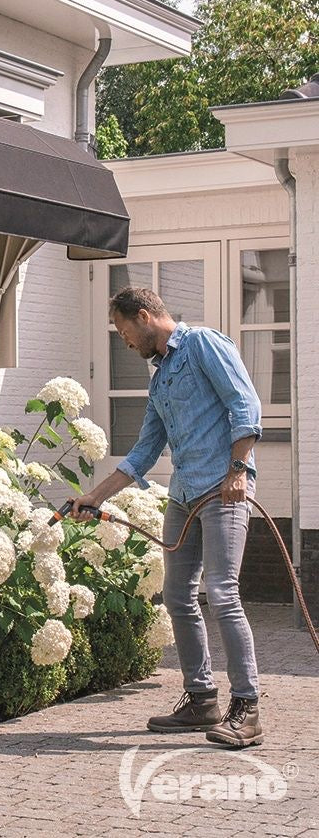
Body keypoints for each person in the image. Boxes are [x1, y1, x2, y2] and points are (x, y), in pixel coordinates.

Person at [72, 286, 263, 747]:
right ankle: (201, 698)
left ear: (143, 316)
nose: (125, 342)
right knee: (178, 595)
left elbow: (246, 405)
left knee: (222, 593)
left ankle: (248, 708)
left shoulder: (203, 344)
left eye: (123, 331)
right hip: (183, 495)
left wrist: (238, 469)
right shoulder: (159, 378)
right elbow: (145, 449)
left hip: (223, 488)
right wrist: (95, 496)